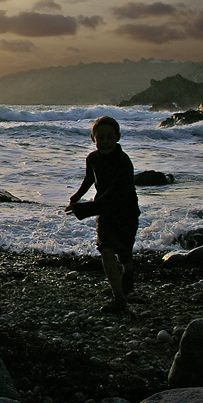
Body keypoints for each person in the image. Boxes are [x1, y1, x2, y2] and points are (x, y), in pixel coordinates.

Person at [65, 116, 140, 313]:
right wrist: (76, 198)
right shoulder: (92, 158)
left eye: (110, 137)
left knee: (123, 253)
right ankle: (119, 299)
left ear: (118, 137)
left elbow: (115, 195)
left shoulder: (123, 162)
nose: (105, 142)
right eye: (101, 138)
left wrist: (85, 209)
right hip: (105, 211)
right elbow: (89, 179)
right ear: (93, 138)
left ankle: (129, 270)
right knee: (106, 250)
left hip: (126, 212)